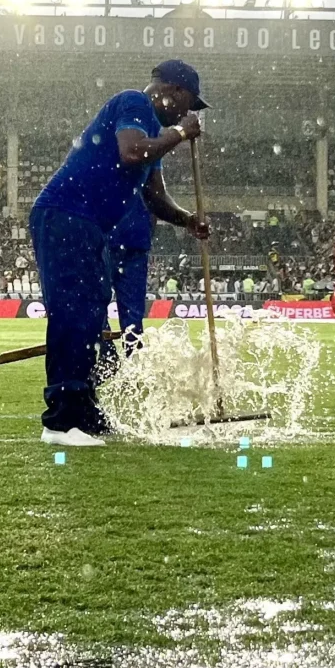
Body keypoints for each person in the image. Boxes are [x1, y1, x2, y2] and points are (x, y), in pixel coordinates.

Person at [29, 59, 211, 446]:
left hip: (90, 225)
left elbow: (154, 196)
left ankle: (84, 410)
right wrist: (180, 132)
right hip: (66, 216)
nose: (187, 112)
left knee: (93, 315)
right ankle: (60, 422)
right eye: (188, 103)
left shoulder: (151, 134)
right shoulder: (134, 104)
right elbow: (132, 153)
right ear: (173, 91)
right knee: (74, 313)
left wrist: (186, 220)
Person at [106, 200, 153, 354]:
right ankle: (129, 361)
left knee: (94, 307)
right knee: (132, 314)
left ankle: (106, 355)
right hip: (134, 242)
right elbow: (157, 201)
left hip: (108, 242)